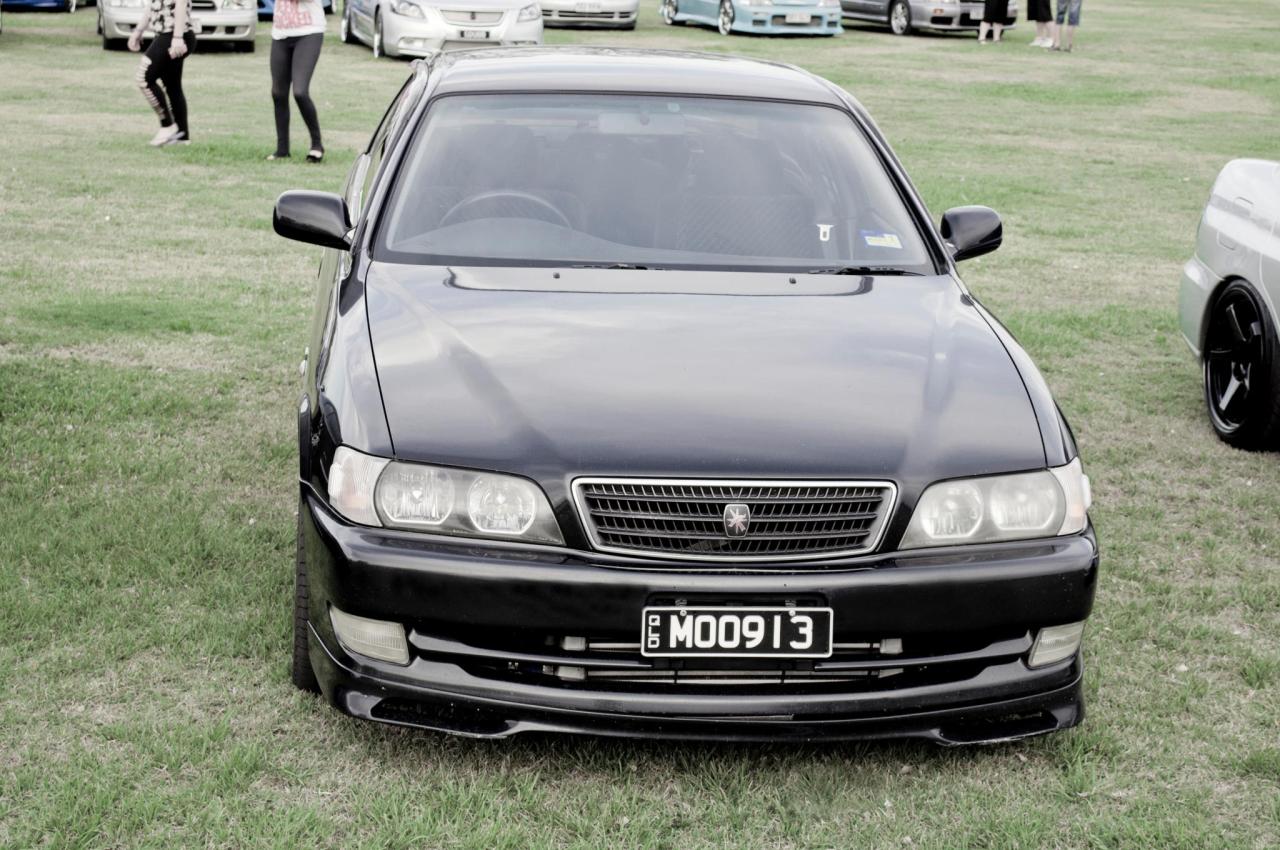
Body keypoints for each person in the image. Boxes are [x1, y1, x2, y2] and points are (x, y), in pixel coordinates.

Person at [129, 0, 195, 147]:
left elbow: (181, 2)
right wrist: (138, 31)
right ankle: (182, 137)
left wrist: (177, 38)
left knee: (144, 78)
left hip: (175, 35)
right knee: (173, 86)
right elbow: (153, 4)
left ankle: (168, 126)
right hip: (167, 34)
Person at [268, 0, 326, 162]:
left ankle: (316, 145)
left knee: (300, 92)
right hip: (281, 33)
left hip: (309, 32)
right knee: (278, 93)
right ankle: (282, 149)